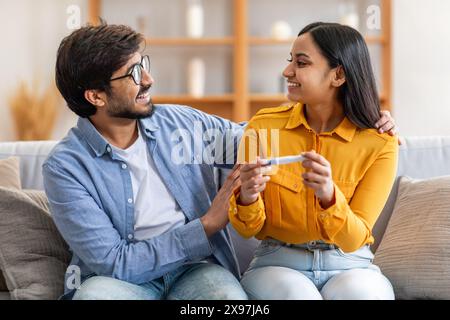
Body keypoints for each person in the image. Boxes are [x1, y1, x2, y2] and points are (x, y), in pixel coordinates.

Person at [43, 22, 397, 300]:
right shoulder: (66, 168)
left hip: (197, 270)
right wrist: (208, 225)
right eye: (133, 74)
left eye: (144, 66)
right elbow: (116, 262)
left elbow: (263, 135)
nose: (148, 80)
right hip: (117, 282)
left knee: (231, 300)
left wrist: (360, 117)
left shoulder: (180, 125)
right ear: (96, 96)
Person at [229, 22, 398, 300]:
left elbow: (355, 237)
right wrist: (246, 196)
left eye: (301, 63)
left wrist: (330, 196)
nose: (287, 72)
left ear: (339, 74)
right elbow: (249, 228)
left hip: (350, 262)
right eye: (290, 61)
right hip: (278, 261)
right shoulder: (262, 128)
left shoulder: (380, 141)